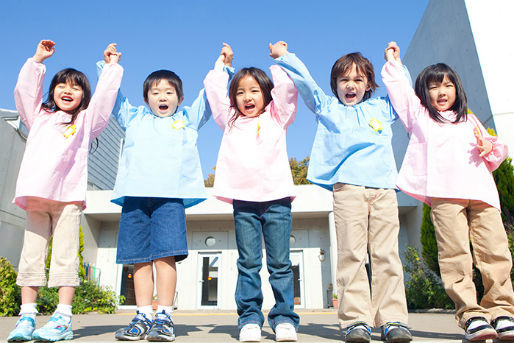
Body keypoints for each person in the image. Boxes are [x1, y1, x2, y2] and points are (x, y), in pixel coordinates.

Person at [274, 41, 412, 342]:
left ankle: (393, 319)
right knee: (351, 254)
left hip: (384, 189)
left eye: (358, 80)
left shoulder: (382, 108)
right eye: (344, 80)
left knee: (386, 254)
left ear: (369, 85)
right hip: (348, 188)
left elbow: (404, 95)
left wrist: (394, 64)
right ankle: (356, 320)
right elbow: (307, 85)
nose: (351, 85)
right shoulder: (329, 108)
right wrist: (287, 57)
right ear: (335, 84)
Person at [383, 41, 514, 342]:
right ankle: (471, 314)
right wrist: (393, 62)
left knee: (495, 252)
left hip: (481, 194)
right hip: (445, 196)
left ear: (457, 89)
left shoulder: (470, 120)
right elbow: (401, 93)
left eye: (447, 84)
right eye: (433, 87)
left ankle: (502, 311)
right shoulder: (420, 118)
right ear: (424, 93)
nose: (442, 92)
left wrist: (489, 146)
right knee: (455, 256)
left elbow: (497, 152)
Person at [7, 40, 123, 342]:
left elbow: (104, 101)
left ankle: (62, 318)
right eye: (61, 85)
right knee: (31, 256)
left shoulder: (86, 121)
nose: (67, 91)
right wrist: (37, 61)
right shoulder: (39, 117)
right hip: (36, 196)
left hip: (68, 199)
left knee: (65, 256)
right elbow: (24, 93)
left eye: (75, 87)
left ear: (83, 96)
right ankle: (27, 317)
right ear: (52, 90)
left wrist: (110, 67)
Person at [105, 51, 211, 342]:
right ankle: (142, 314)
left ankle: (164, 315)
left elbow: (209, 98)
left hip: (170, 198)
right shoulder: (134, 117)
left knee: (165, 257)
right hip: (135, 198)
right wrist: (111, 67)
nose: (162, 97)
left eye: (169, 92)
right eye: (155, 92)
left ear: (179, 97)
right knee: (138, 258)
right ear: (146, 98)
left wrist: (222, 68)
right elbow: (111, 97)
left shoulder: (187, 119)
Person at [203, 42, 300, 342]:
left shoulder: (277, 116)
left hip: (277, 201)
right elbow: (214, 89)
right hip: (244, 202)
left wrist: (280, 60)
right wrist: (223, 65)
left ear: (267, 94)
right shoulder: (229, 120)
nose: (247, 97)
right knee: (248, 263)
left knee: (280, 263)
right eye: (241, 91)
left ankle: (284, 318)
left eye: (255, 90)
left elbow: (287, 90)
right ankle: (249, 319)